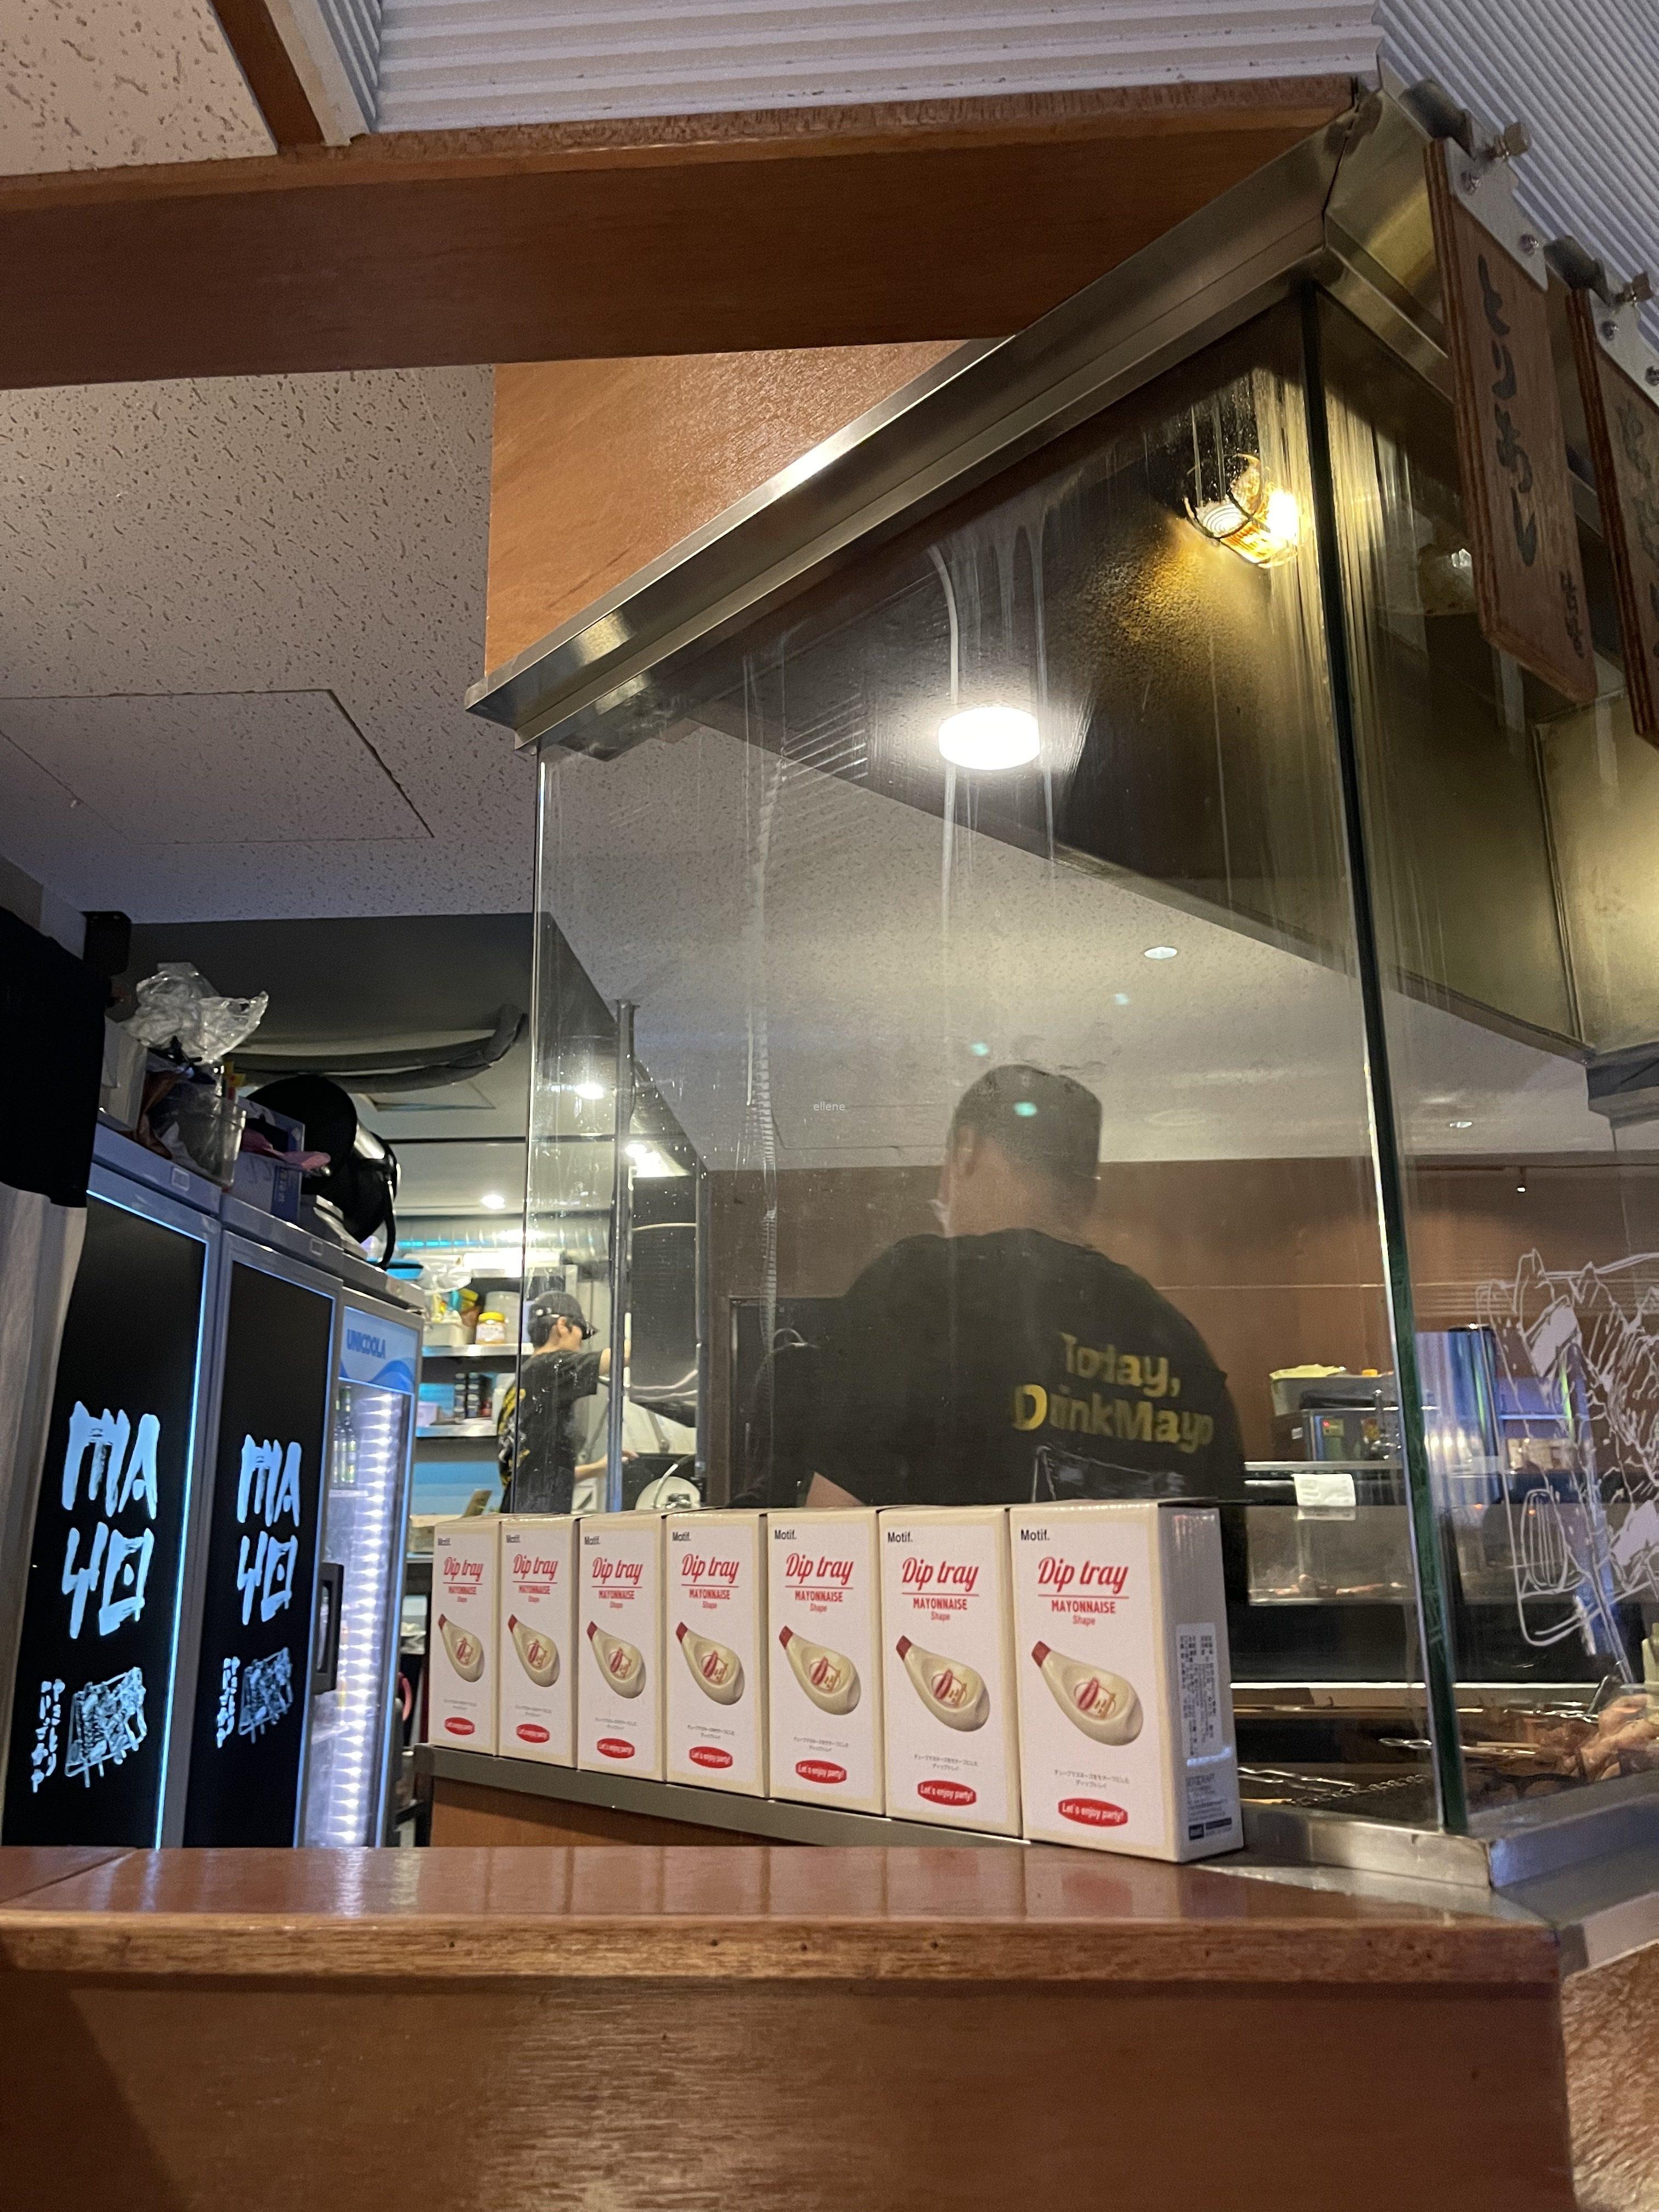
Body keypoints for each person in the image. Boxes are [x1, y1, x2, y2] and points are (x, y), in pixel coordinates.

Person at [804, 1064, 1245, 1510]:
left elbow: (833, 1531)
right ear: (1087, 1189)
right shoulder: (1181, 1345)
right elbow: (1220, 1540)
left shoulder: (919, 1288)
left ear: (966, 1151)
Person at [498, 1290, 627, 1514]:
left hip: (520, 1513)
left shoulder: (525, 1378)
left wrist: (598, 1468)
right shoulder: (550, 1368)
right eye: (581, 1333)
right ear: (562, 1325)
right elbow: (619, 1357)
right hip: (535, 1520)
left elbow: (541, 1479)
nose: (581, 1344)